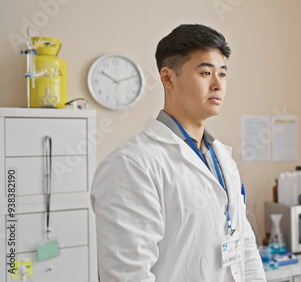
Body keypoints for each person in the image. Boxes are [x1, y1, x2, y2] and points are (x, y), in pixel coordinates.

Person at [91, 24, 266, 281]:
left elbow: (245, 246)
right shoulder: (131, 165)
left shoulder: (222, 158)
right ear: (168, 77)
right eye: (206, 72)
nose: (218, 85)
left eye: (223, 74)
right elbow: (129, 276)